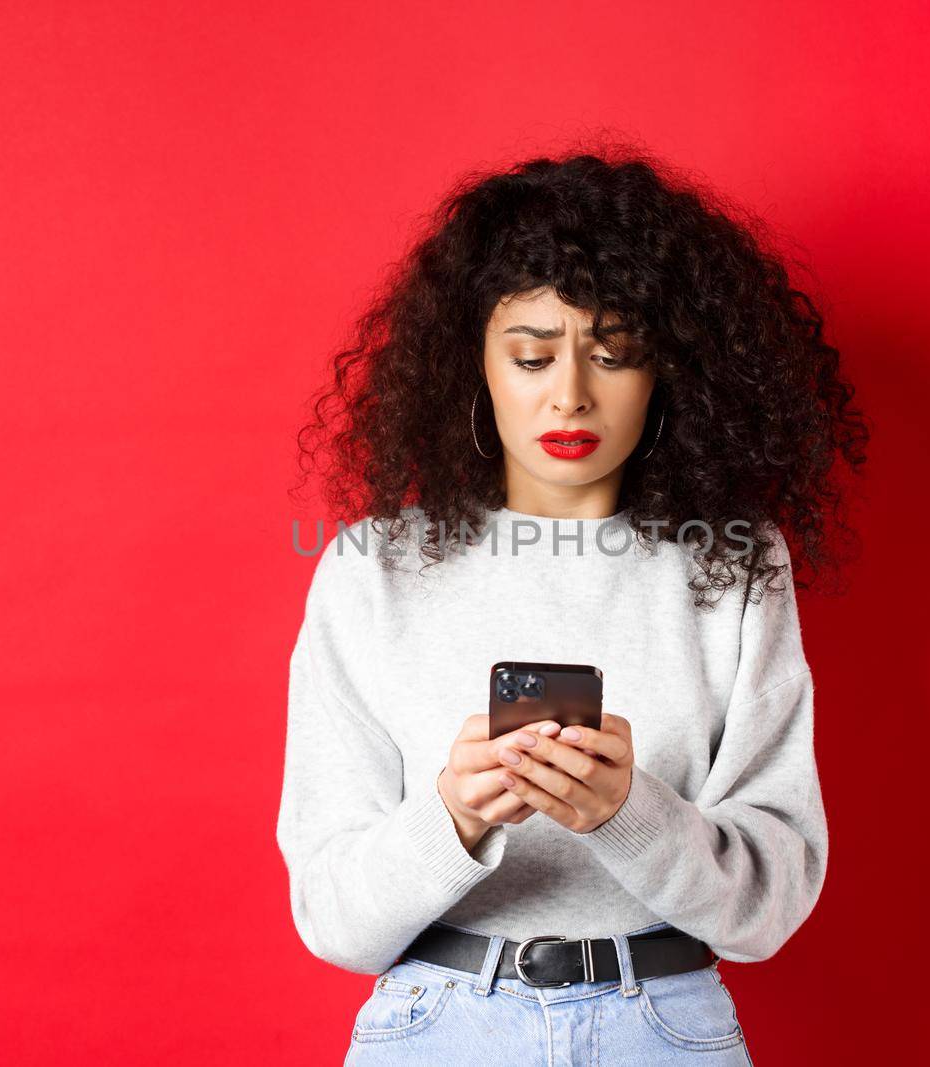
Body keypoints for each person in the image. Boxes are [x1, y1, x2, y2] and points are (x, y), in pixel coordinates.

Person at [277, 148, 868, 1064]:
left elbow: (767, 908)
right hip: (437, 1030)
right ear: (472, 364)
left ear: (667, 374)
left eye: (615, 354)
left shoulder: (734, 567)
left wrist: (627, 811)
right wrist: (454, 815)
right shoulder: (371, 571)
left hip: (664, 1029)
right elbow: (333, 920)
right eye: (531, 354)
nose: (571, 393)